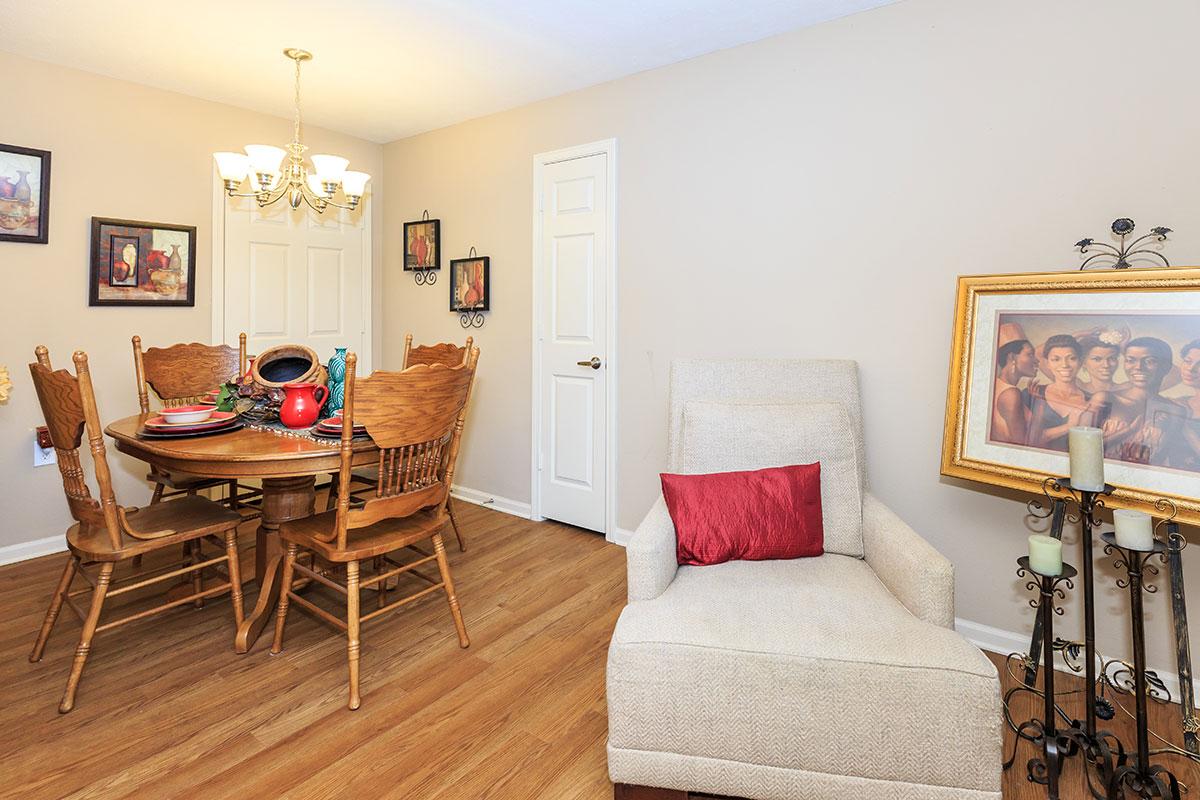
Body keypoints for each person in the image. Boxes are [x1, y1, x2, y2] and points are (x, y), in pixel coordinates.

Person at [1098, 336, 1188, 465]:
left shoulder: (1175, 410)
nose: (1138, 367)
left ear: (1166, 367)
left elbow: (1163, 457)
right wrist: (1129, 430)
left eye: (1149, 361)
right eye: (1130, 360)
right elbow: (1081, 447)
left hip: (1142, 482)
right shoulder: (1105, 398)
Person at [1027, 334, 1104, 451]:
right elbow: (1028, 440)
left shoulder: (1092, 400)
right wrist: (1069, 426)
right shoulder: (1032, 393)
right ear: (1047, 363)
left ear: (1080, 361)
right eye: (1056, 359)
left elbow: (1088, 448)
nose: (1065, 365)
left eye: (1072, 358)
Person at [992, 337, 1038, 444]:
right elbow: (1023, 443)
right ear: (1012, 357)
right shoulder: (1011, 394)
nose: (1036, 360)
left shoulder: (997, 384)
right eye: (1030, 354)